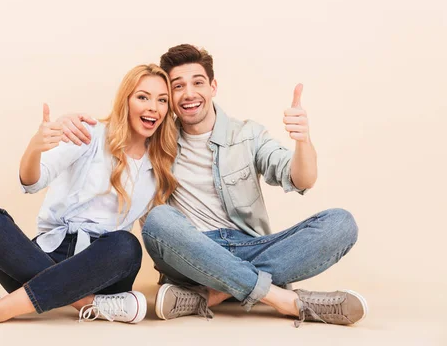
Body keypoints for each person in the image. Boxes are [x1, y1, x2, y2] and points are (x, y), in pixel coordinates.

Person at [60, 45, 368, 328]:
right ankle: (283, 300)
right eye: (177, 86)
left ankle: (208, 295)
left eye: (197, 83)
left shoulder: (247, 135)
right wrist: (72, 123)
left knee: (341, 223)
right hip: (188, 255)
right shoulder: (155, 138)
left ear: (213, 87)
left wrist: (303, 140)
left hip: (249, 245)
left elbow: (302, 179)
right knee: (158, 221)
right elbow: (115, 130)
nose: (188, 93)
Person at [0, 64, 178, 326]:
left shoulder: (160, 164)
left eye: (162, 100)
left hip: (104, 268)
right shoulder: (90, 133)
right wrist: (35, 146)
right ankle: (88, 304)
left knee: (127, 245)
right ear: (125, 100)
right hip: (48, 255)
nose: (153, 108)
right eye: (143, 97)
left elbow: (152, 230)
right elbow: (33, 182)